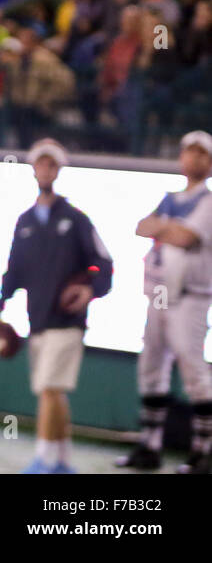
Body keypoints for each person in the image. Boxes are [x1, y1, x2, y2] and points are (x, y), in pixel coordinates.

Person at [0, 138, 114, 474]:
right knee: (54, 392)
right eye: (40, 163)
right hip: (39, 321)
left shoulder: (76, 220)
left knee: (48, 389)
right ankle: (61, 460)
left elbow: (103, 265)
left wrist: (89, 290)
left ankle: (44, 460)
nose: (45, 169)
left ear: (58, 170)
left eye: (51, 164)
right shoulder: (26, 222)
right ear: (34, 169)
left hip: (68, 323)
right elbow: (14, 269)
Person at [117, 130, 212, 474]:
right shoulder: (170, 197)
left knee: (193, 369)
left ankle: (202, 453)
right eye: (190, 152)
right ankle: (150, 446)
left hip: (191, 296)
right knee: (152, 368)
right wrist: (164, 227)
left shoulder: (208, 201)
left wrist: (164, 227)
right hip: (157, 293)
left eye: (202, 154)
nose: (194, 159)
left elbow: (186, 238)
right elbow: (142, 227)